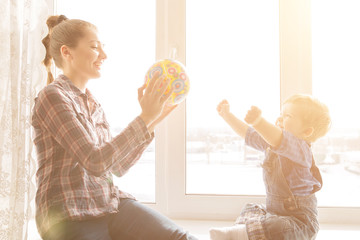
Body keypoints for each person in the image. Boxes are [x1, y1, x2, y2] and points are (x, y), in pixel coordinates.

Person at [32, 15, 197, 240]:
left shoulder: (93, 103)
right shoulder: (52, 96)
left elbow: (117, 167)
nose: (104, 55)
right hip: (68, 213)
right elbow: (94, 161)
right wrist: (144, 117)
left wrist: (153, 119)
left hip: (109, 205)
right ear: (66, 52)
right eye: (94, 47)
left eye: (103, 48)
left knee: (180, 237)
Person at [210, 94, 331, 240]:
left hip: (300, 223)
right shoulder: (273, 144)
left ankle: (239, 234)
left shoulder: (300, 148)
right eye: (281, 114)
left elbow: (277, 138)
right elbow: (249, 135)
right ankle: (244, 232)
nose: (280, 119)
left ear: (306, 132)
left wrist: (259, 122)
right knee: (252, 208)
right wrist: (227, 115)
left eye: (288, 116)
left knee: (278, 226)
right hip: (274, 213)